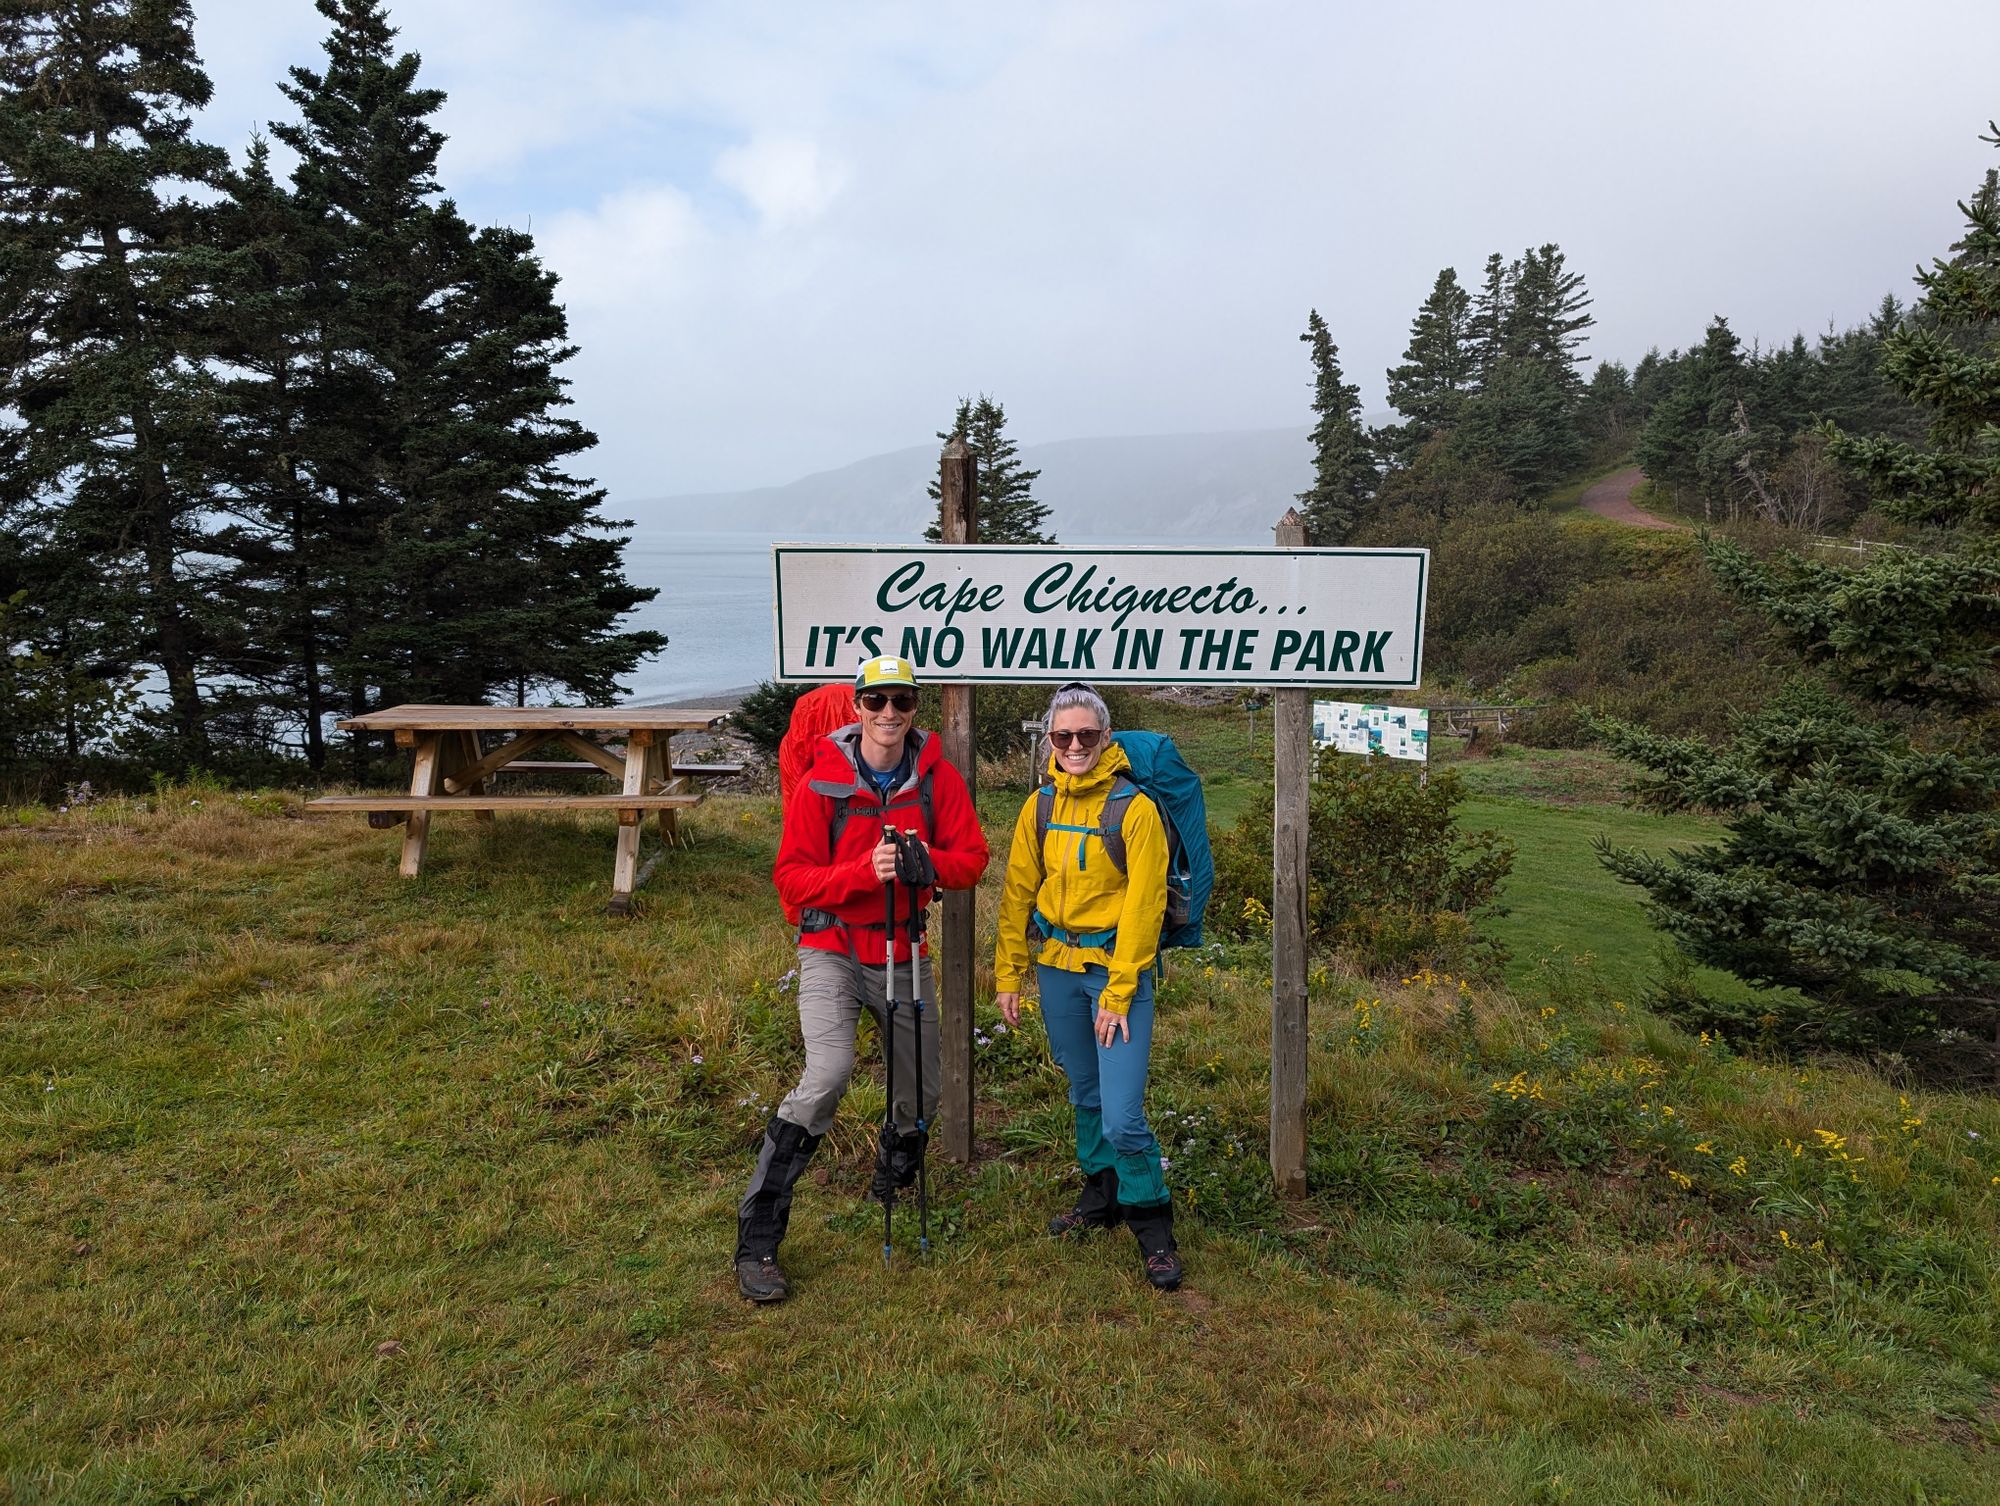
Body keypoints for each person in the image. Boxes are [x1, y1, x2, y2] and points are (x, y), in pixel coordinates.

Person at [735, 655, 990, 1303]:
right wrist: (861, 873)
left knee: (921, 1089)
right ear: (856, 707)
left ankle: (894, 1168)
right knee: (827, 1074)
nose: (887, 714)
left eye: (900, 702)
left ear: (914, 710)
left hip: (903, 949)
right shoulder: (823, 781)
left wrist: (927, 862)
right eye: (875, 701)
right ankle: (759, 1232)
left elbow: (973, 861)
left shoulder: (937, 781)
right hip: (831, 949)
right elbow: (790, 878)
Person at [993, 682, 1182, 1291]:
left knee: (1123, 1113)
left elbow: (1146, 906)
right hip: (1056, 972)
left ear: (1106, 738)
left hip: (1114, 976)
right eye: (1062, 735)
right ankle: (1101, 1197)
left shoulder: (1135, 809)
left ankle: (1152, 1225)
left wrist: (1120, 991)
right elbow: (1018, 893)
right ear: (1049, 739)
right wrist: (1008, 973)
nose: (1074, 745)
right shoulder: (1039, 807)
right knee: (1084, 1090)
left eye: (1087, 735)